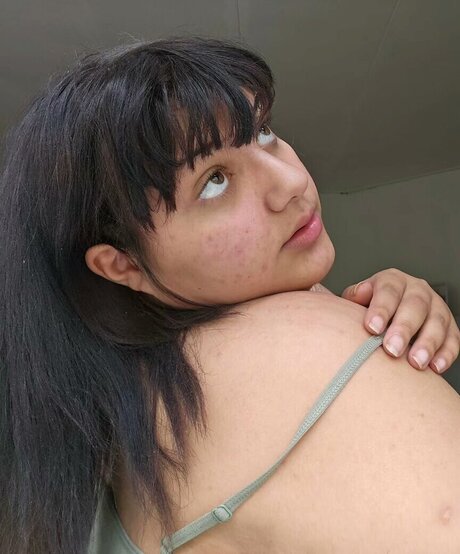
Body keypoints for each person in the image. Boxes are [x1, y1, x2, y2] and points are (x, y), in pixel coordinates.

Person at [0, 36, 459, 554]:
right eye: (214, 181)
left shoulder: (116, 428)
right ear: (122, 264)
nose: (291, 181)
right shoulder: (306, 357)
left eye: (263, 132)